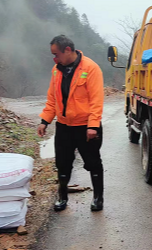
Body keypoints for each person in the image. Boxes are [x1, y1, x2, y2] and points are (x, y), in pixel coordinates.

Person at [37, 35, 104, 212]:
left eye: (56, 54)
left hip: (85, 126)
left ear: (67, 50)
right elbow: (53, 99)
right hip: (64, 127)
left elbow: (96, 100)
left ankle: (98, 197)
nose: (54, 58)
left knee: (93, 162)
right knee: (63, 162)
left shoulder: (90, 68)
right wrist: (45, 120)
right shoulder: (56, 70)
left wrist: (93, 126)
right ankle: (62, 197)